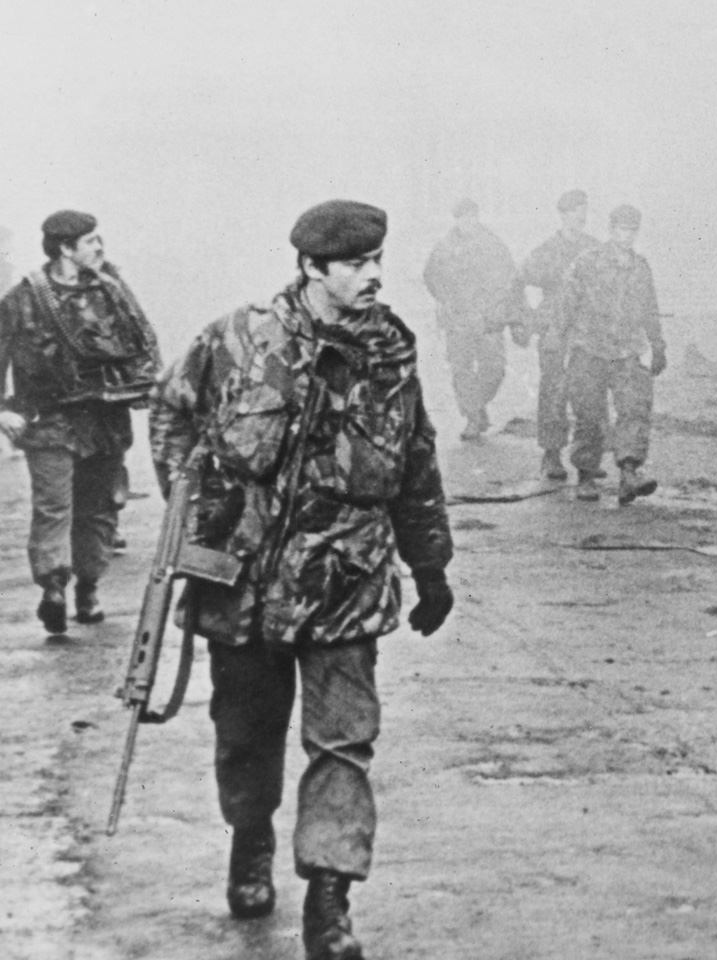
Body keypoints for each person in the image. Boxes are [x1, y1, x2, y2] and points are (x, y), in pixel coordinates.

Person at [149, 199, 454, 960]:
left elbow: (414, 457)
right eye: (356, 264)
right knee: (246, 734)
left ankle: (329, 897)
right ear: (312, 268)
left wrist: (430, 564)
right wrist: (199, 517)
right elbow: (171, 412)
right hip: (243, 584)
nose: (375, 276)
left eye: (378, 260)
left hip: (345, 582)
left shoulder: (390, 352)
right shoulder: (239, 338)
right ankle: (250, 842)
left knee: (343, 743)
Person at [0, 210, 161, 633]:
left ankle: (88, 585)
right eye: (90, 241)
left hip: (104, 418)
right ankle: (53, 588)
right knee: (53, 507)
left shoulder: (113, 291)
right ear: (65, 249)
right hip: (48, 417)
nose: (99, 247)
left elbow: (144, 343)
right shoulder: (23, 298)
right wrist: (4, 408)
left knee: (98, 508)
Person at [555, 203, 666, 503]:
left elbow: (650, 309)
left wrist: (658, 345)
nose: (627, 236)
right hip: (589, 348)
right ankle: (586, 476)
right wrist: (560, 345)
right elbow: (567, 305)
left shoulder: (640, 267)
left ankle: (629, 474)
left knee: (633, 410)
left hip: (627, 349)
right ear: (611, 229)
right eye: (622, 229)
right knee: (589, 414)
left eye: (632, 230)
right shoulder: (586, 262)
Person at [422, 197, 520, 442]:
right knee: (461, 369)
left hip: (488, 319)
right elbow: (430, 276)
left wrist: (500, 308)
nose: (469, 221)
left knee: (495, 369)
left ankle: (475, 406)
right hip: (457, 319)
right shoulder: (444, 247)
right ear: (456, 220)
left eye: (472, 216)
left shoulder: (493, 245)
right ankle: (474, 418)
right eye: (463, 217)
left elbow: (510, 278)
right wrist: (447, 300)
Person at [515, 189, 596, 480]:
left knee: (589, 392)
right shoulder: (546, 250)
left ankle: (587, 458)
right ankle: (551, 455)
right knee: (554, 391)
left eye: (584, 210)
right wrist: (527, 320)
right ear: (562, 215)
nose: (581, 216)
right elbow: (519, 281)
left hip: (586, 332)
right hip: (555, 332)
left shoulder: (594, 249)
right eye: (575, 210)